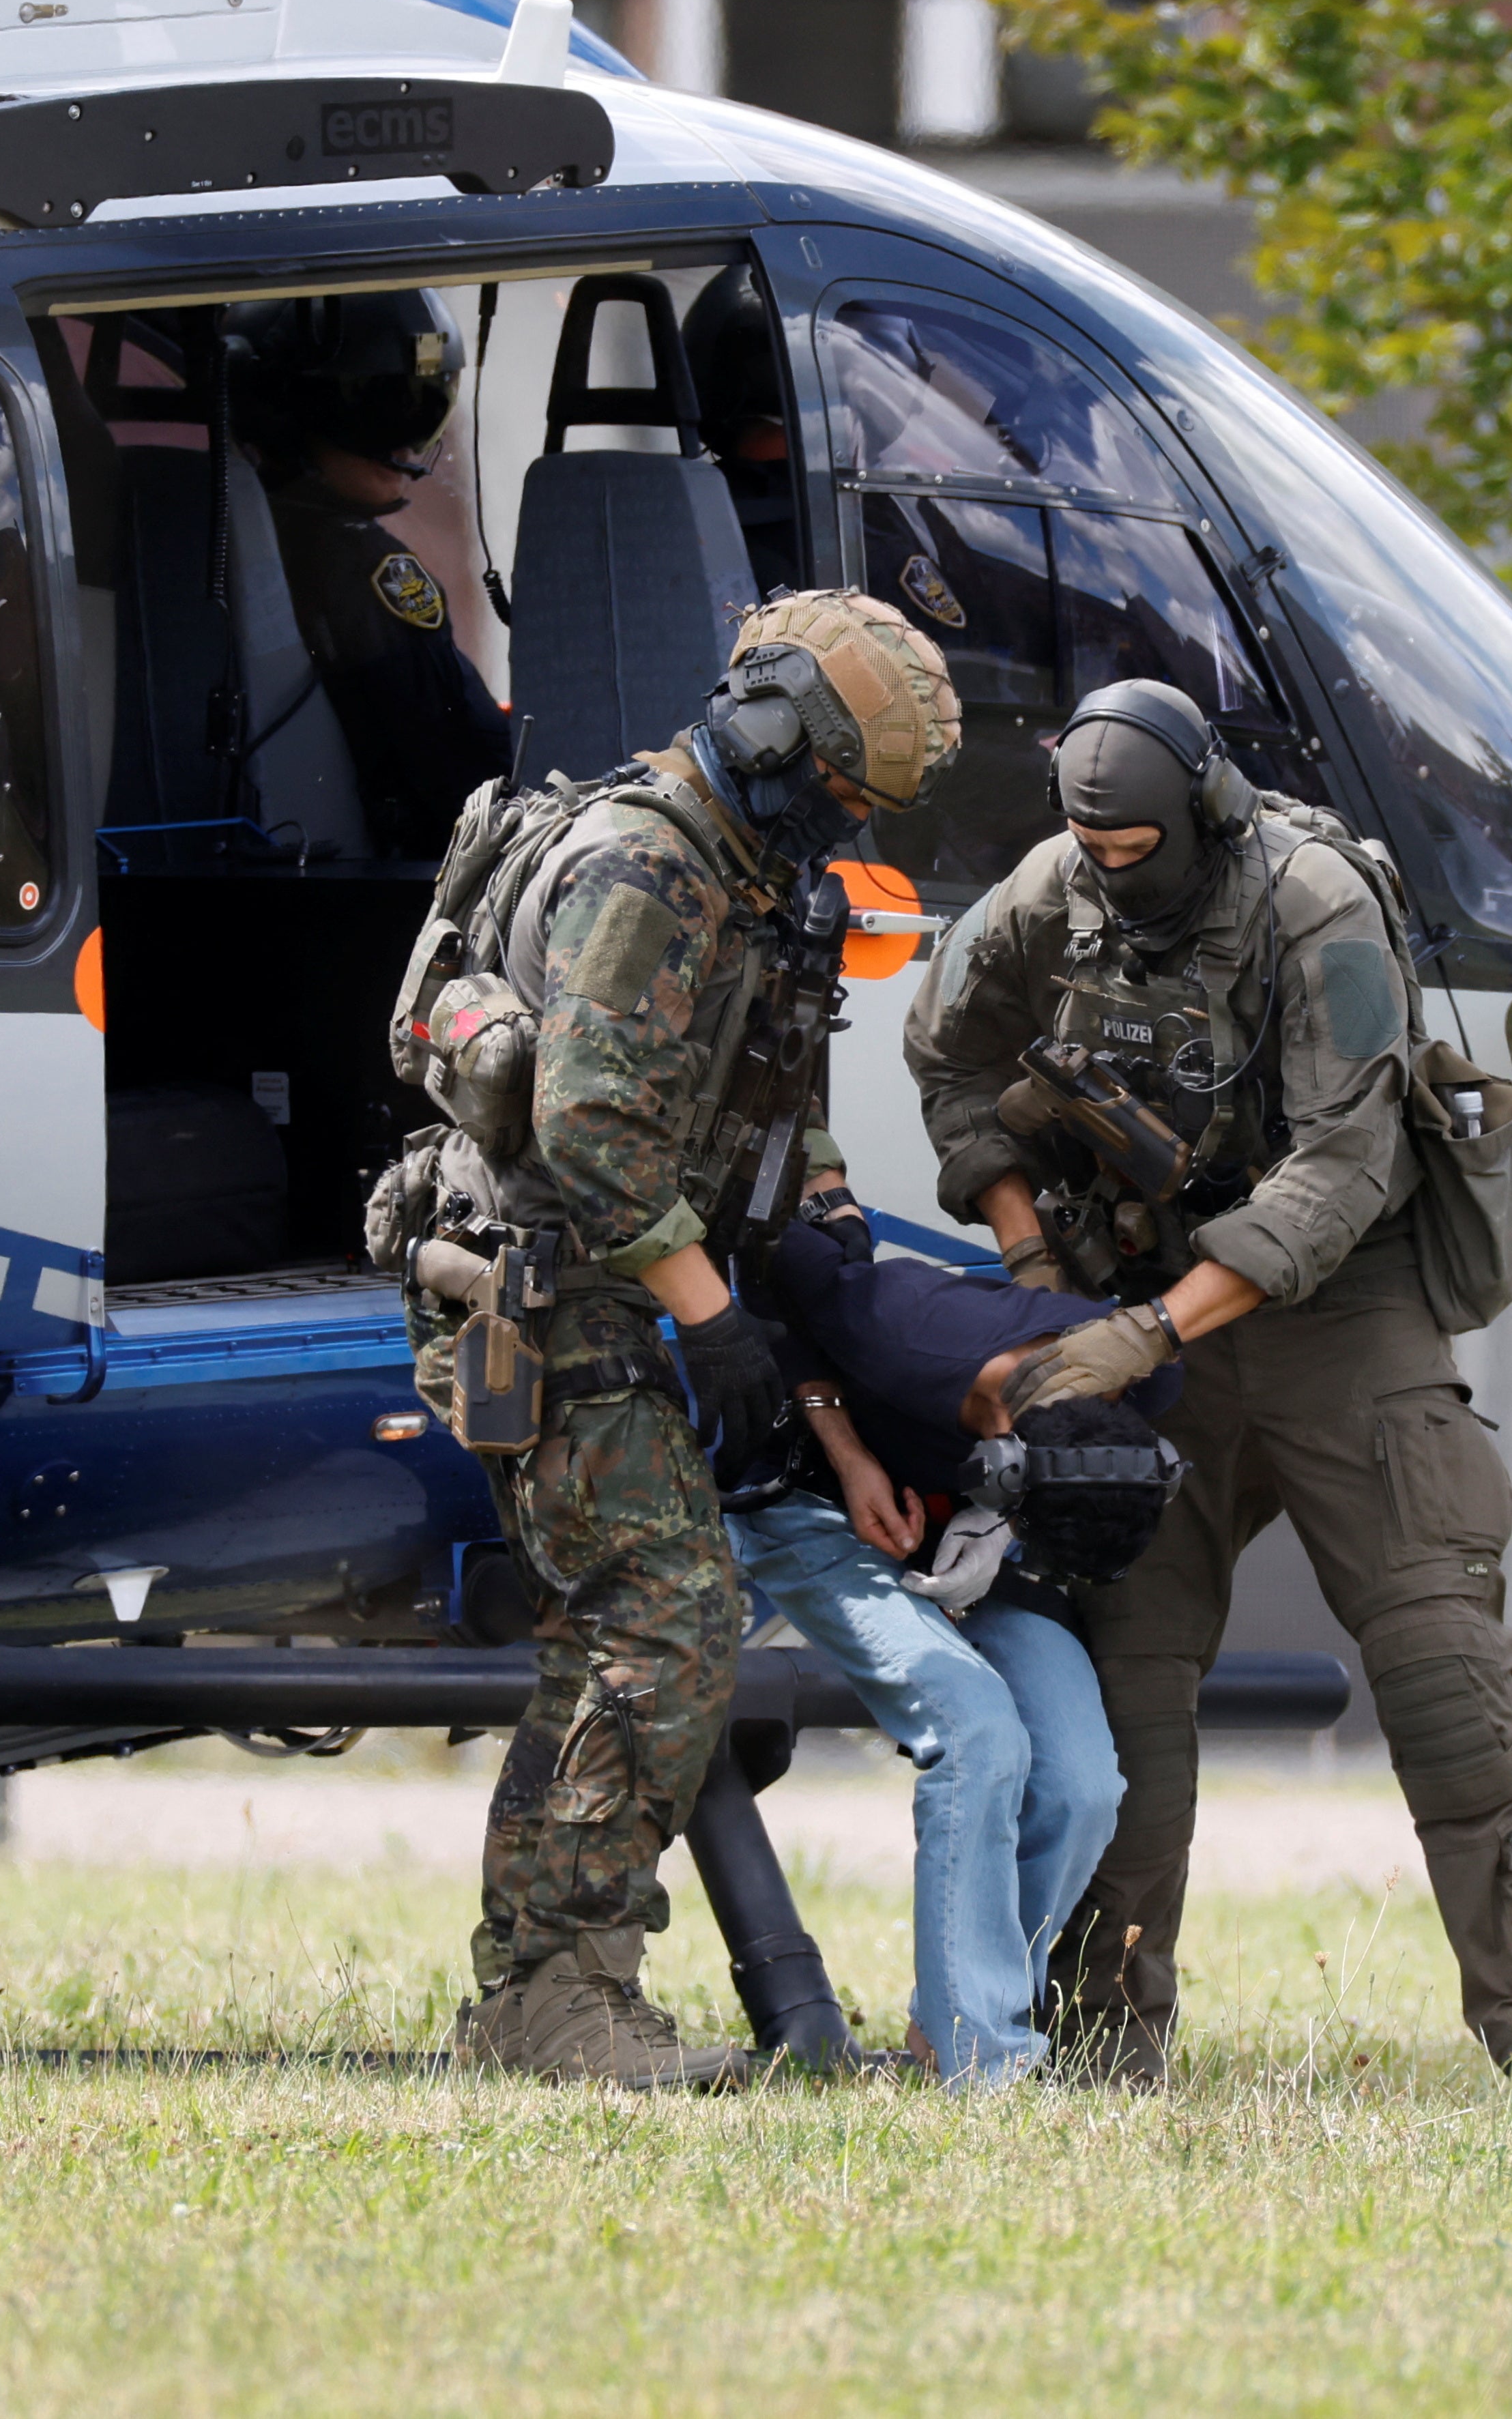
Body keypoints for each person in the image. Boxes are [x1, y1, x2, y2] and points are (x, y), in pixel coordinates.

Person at [902, 678, 1512, 2102]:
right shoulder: (1054, 883)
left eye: (1137, 847)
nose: (1114, 870)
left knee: (1442, 1676)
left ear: (1202, 807)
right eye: (1090, 848)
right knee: (1121, 1687)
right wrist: (1032, 1250)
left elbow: (1341, 1169)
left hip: (1337, 1315)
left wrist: (1144, 1333)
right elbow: (947, 1048)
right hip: (1144, 1307)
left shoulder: (1314, 901)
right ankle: (1103, 2037)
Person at [403, 590, 960, 2089]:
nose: (842, 818)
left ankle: (540, 1996)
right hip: (550, 1280)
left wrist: (823, 1206)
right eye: (840, 789)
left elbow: (754, 1073)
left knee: (620, 1627)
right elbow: (586, 1128)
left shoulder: (745, 876)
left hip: (625, 1270)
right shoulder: (646, 865)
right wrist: (714, 1318)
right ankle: (557, 1998)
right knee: (661, 1612)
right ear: (778, 739)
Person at [726, 1198, 1183, 2084]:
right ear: (1005, 1454)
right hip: (815, 1498)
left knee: (1085, 1783)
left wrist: (1003, 1533)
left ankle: (955, 2014)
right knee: (977, 1735)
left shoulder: (1140, 1382)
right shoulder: (908, 1328)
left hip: (972, 1532)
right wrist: (849, 1448)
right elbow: (768, 1284)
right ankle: (985, 2060)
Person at [227, 289, 509, 854]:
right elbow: (451, 756)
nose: (407, 442)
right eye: (383, 410)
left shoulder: (225, 531)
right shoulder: (365, 566)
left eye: (425, 407)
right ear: (295, 410)